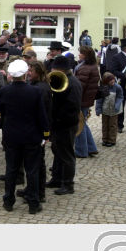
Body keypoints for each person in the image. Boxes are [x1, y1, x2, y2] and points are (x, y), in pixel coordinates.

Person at [0, 60, 49, 214]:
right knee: (32, 171)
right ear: (26, 73)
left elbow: (2, 110)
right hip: (31, 136)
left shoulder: (5, 91)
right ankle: (33, 204)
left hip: (12, 135)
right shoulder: (35, 92)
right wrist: (46, 133)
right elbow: (42, 116)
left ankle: (8, 201)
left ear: (11, 75)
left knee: (11, 169)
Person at [46, 55, 82, 196]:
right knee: (57, 151)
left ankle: (68, 184)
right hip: (59, 123)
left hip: (66, 124)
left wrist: (59, 119)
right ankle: (56, 178)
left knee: (67, 154)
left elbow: (71, 107)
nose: (52, 70)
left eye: (54, 68)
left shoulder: (72, 83)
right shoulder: (63, 79)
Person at [26, 61, 52, 203]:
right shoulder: (37, 86)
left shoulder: (40, 89)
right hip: (36, 130)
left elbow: (41, 113)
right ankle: (34, 189)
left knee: (37, 164)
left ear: (39, 72)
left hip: (37, 131)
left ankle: (38, 192)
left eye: (31, 70)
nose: (29, 72)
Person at [74, 46, 100, 158]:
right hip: (86, 99)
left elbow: (79, 87)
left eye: (81, 53)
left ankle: (81, 150)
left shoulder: (85, 68)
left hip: (81, 100)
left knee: (79, 125)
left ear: (86, 55)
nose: (79, 54)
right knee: (83, 123)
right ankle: (91, 148)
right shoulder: (92, 66)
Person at [95, 72, 123, 147]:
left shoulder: (117, 87)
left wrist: (117, 105)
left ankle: (112, 140)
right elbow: (99, 100)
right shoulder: (103, 88)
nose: (112, 82)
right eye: (110, 81)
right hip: (105, 109)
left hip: (114, 110)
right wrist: (98, 109)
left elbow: (120, 97)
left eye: (113, 80)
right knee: (105, 125)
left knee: (112, 125)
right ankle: (105, 139)